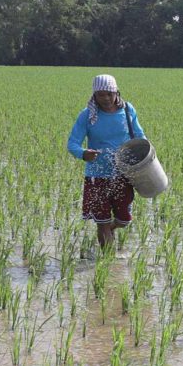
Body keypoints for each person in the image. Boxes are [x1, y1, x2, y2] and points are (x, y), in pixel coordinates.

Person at [67, 75, 146, 250]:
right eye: (101, 95)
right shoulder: (88, 115)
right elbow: (72, 143)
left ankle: (109, 230)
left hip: (122, 174)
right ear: (94, 95)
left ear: (116, 92)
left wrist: (145, 155)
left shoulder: (127, 110)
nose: (106, 99)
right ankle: (107, 263)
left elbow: (139, 136)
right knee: (102, 220)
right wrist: (83, 153)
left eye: (109, 94)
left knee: (124, 219)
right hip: (97, 176)